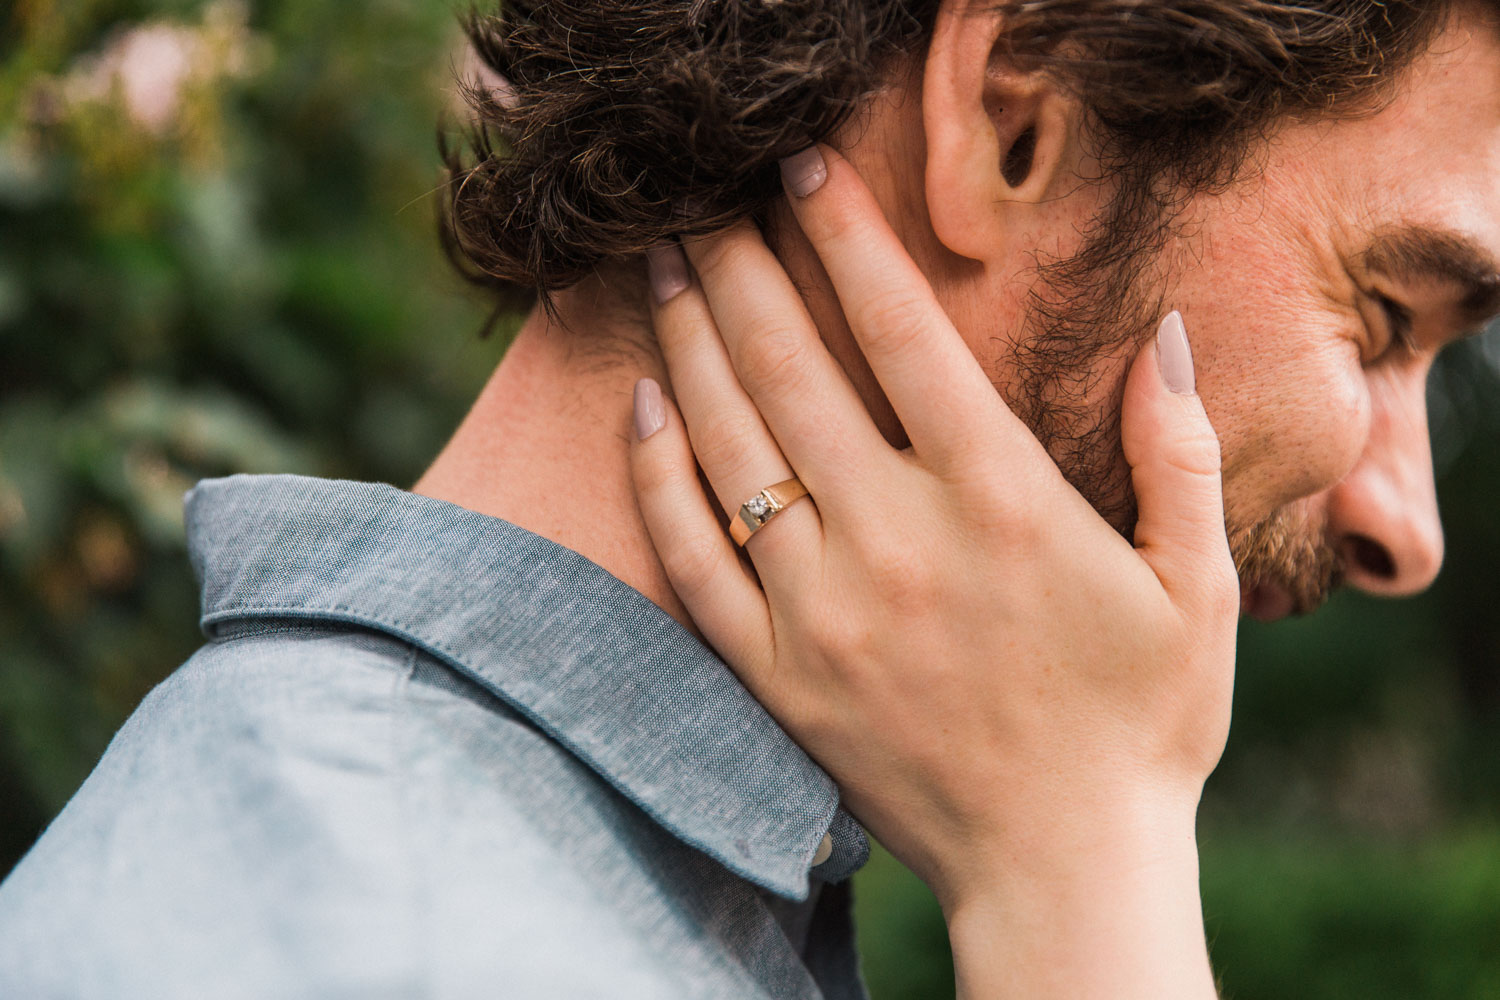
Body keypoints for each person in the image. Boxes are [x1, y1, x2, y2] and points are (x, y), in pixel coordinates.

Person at [2, 0, 1498, 997]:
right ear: (1010, 119)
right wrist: (1093, 884)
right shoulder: (378, 948)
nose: (1406, 525)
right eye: (1382, 319)